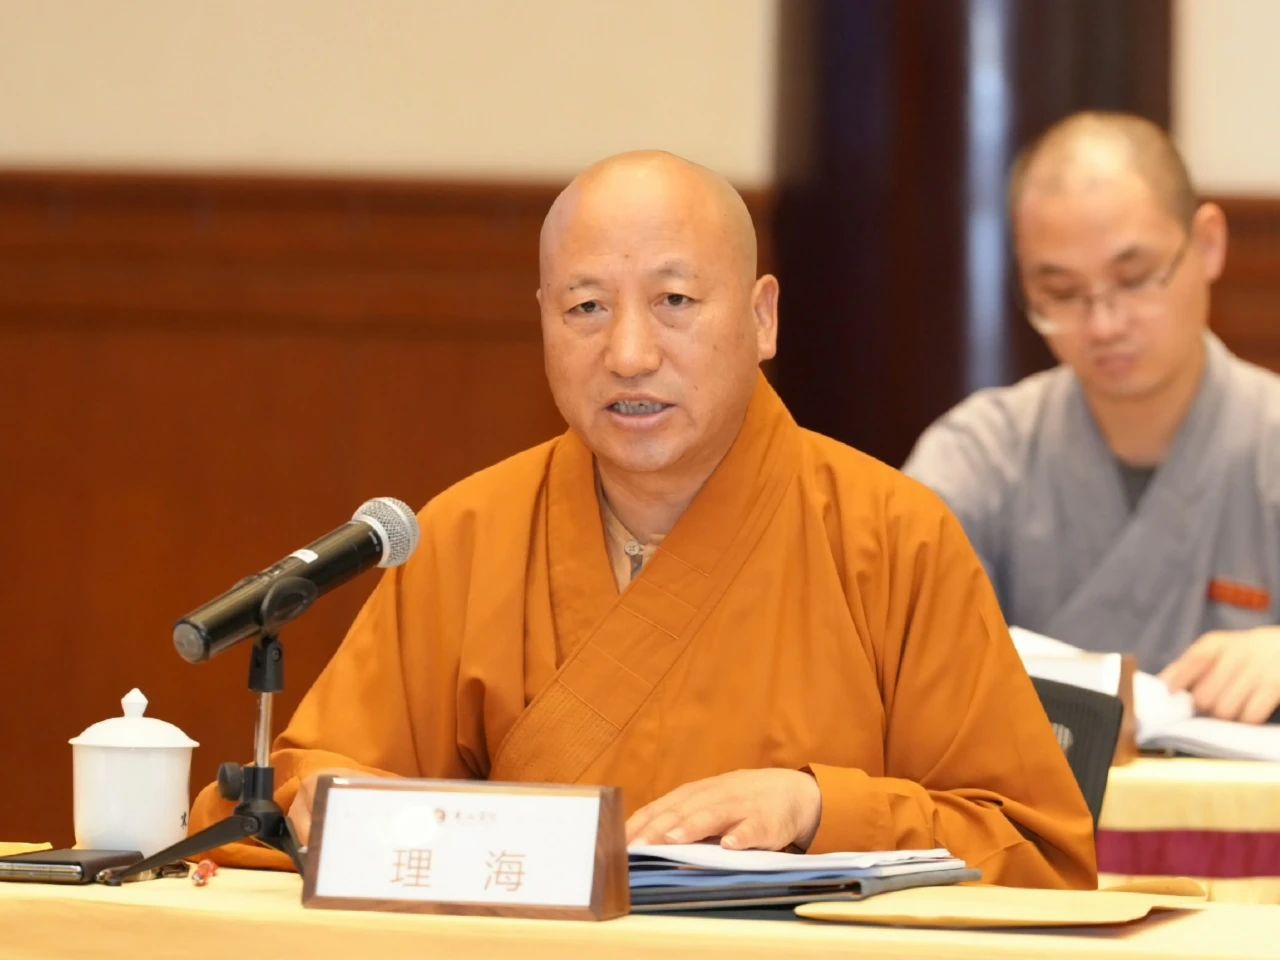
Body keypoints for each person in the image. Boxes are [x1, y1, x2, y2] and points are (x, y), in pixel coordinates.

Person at [191, 151, 1095, 888]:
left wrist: (818, 807)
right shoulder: (467, 533)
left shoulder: (893, 537)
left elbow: (1032, 850)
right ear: (544, 323)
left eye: (675, 302)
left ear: (763, 318)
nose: (628, 353)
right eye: (586, 308)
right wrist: (342, 806)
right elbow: (301, 794)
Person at [905, 112, 1280, 725]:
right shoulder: (980, 454)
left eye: (1134, 279)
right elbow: (886, 647)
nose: (1104, 325)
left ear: (1208, 243)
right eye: (1061, 293)